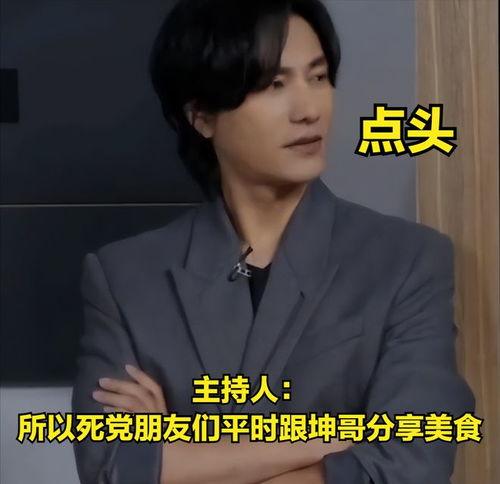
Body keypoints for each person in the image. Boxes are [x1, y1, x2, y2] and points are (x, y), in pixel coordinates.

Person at [71, 0, 475, 483]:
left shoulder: (408, 261)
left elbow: (411, 465)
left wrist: (183, 456)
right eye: (273, 85)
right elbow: (111, 469)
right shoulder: (125, 278)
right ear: (201, 115)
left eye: (318, 77)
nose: (308, 110)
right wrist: (333, 441)